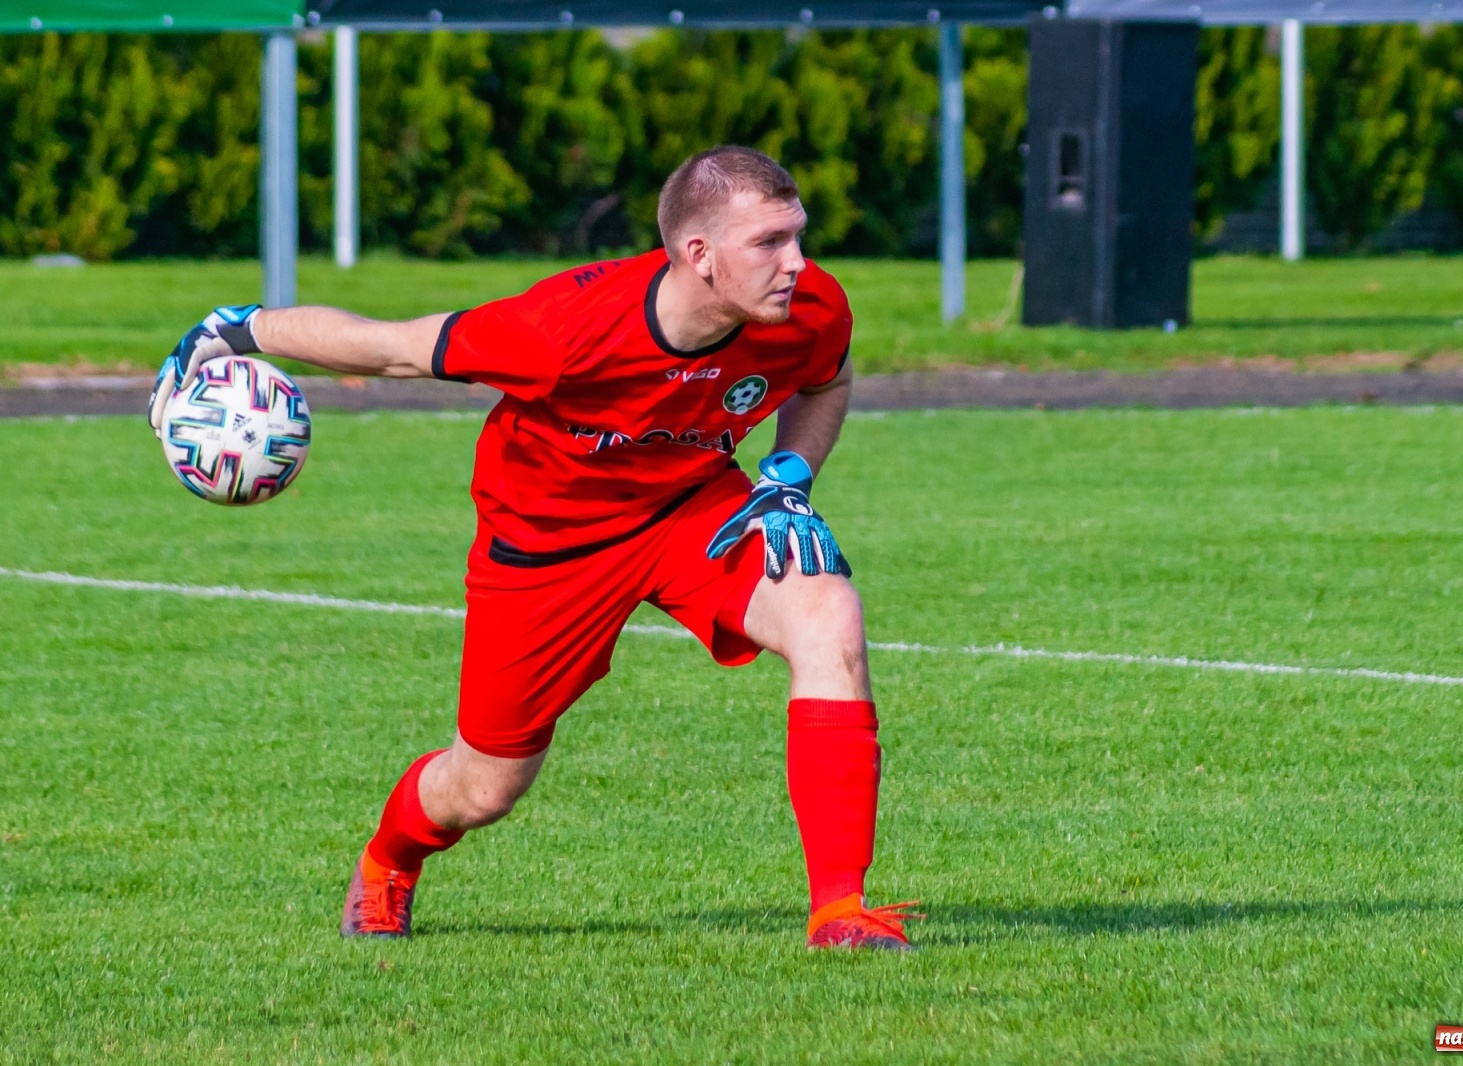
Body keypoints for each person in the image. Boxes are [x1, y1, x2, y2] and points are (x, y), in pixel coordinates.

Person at [147, 146, 920, 951]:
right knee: (483, 788)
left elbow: (827, 376)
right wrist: (238, 328)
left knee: (828, 609)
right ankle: (388, 861)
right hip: (547, 548)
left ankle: (841, 913)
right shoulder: (560, 332)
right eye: (770, 243)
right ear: (699, 254)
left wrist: (790, 473)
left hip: (694, 509)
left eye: (797, 236)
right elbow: (392, 348)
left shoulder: (809, 305)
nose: (797, 263)